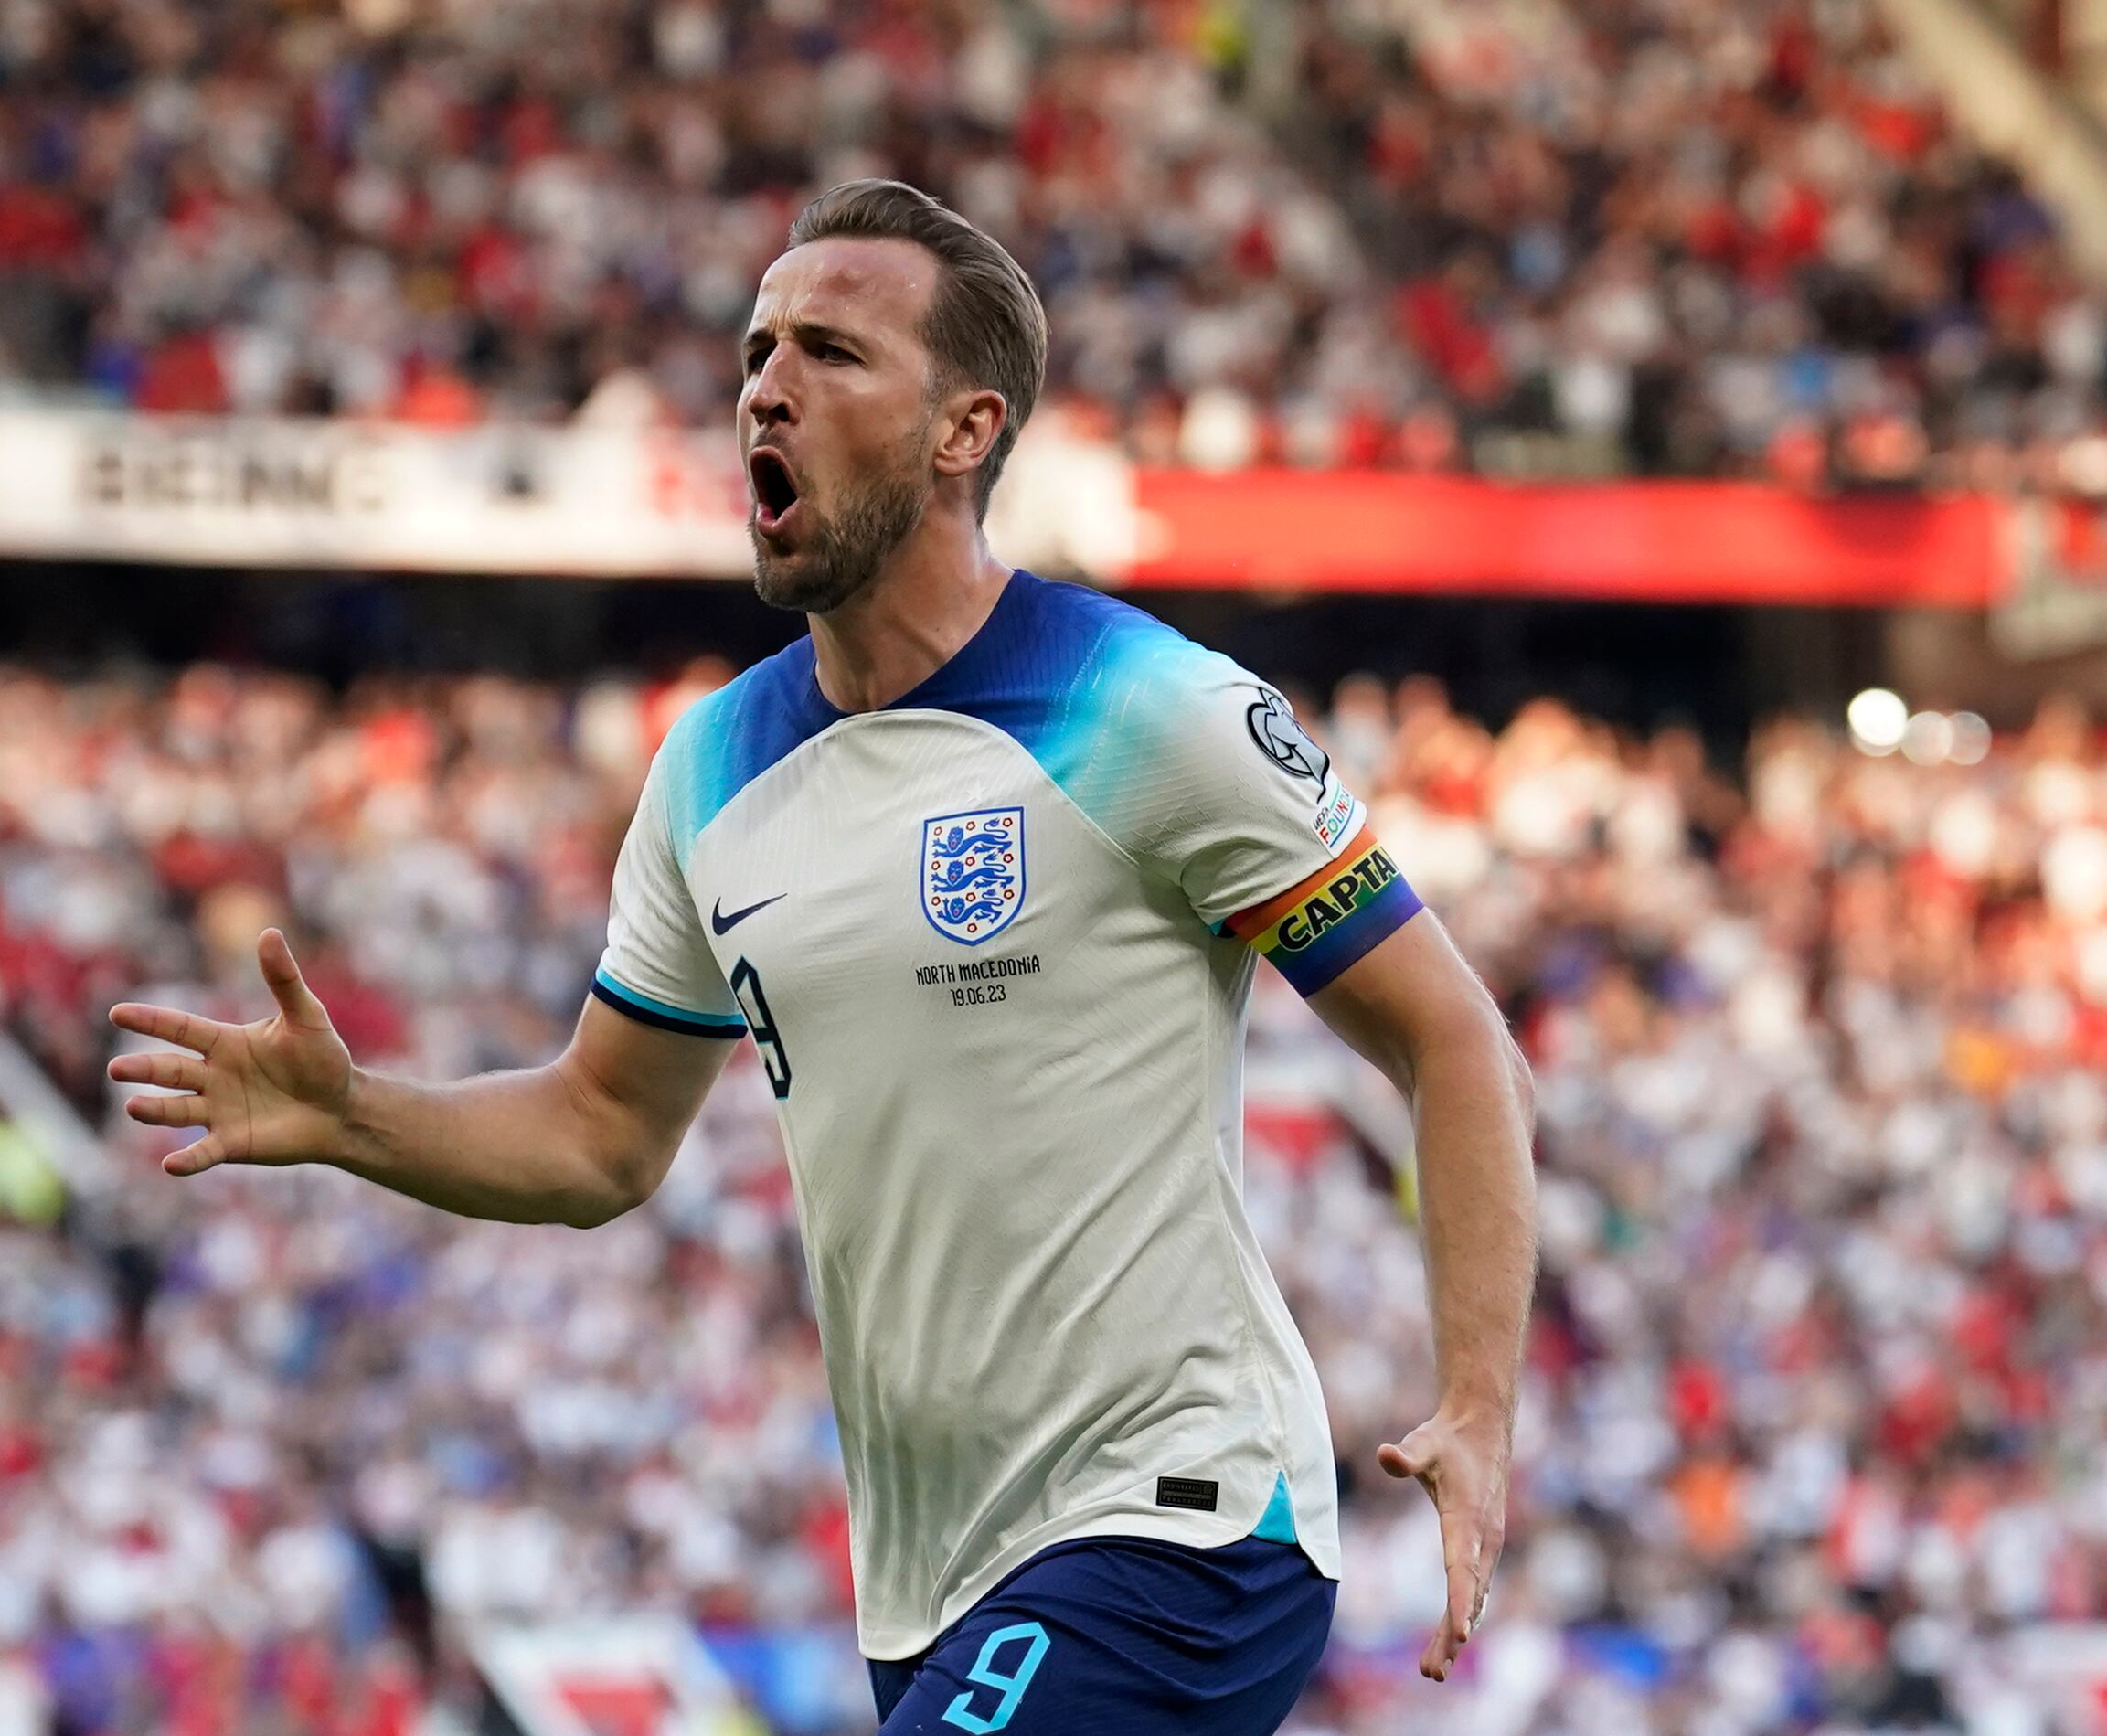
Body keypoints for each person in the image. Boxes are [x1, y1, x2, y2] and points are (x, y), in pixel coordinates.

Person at [109, 179, 1538, 1732]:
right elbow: (599, 1134)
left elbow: (1452, 1037)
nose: (765, 389)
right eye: (757, 352)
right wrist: (355, 1117)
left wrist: (1476, 1403)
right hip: (931, 1584)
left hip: (1181, 1520)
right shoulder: (712, 769)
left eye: (832, 353)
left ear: (964, 431)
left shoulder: (1147, 708)